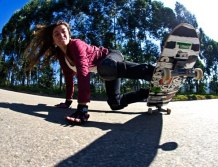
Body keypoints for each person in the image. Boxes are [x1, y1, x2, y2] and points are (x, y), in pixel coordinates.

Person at [24, 20, 154, 124]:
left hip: (111, 56)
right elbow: (69, 79)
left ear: (69, 34)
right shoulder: (62, 57)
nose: (60, 35)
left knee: (106, 68)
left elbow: (83, 72)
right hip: (106, 70)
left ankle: (152, 72)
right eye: (56, 34)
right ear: (53, 41)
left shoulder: (76, 45)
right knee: (116, 103)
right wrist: (68, 101)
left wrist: (82, 107)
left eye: (63, 32)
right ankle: (147, 93)